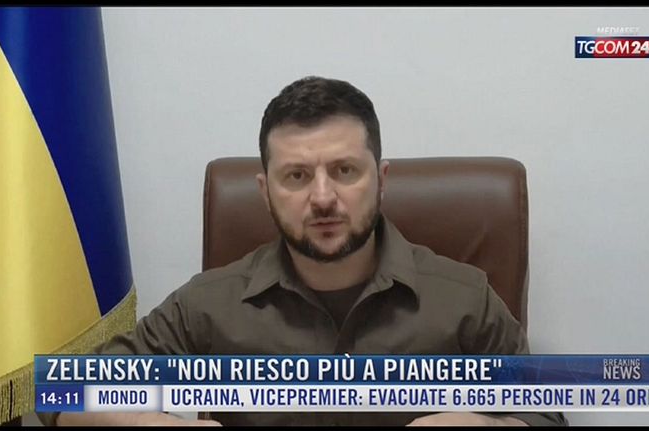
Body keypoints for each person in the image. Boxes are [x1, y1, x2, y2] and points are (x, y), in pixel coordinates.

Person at [41, 76, 567, 426]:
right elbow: (59, 393)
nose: (322, 198)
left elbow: (549, 414)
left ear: (381, 180)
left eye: (344, 171)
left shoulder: (463, 299)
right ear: (265, 191)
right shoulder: (209, 306)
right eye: (296, 176)